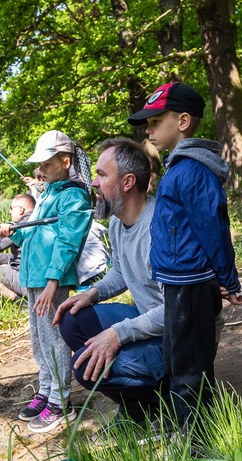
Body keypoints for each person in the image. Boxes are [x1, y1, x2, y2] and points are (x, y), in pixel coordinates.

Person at [127, 82, 242, 433]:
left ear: (183, 121)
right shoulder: (179, 167)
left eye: (155, 121)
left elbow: (213, 229)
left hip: (191, 285)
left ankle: (199, 448)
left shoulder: (192, 170)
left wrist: (227, 278)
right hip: (179, 283)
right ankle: (188, 434)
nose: (148, 130)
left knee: (190, 369)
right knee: (177, 362)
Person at [54, 138, 165, 428]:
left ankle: (165, 400)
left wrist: (118, 335)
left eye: (102, 175)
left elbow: (177, 309)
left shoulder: (159, 230)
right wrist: (92, 293)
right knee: (72, 318)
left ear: (128, 182)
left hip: (176, 336)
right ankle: (136, 407)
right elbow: (121, 271)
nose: (93, 182)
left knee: (85, 366)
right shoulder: (118, 221)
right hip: (147, 318)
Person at [0, 130, 93, 433]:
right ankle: (46, 390)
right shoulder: (49, 192)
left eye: (46, 164)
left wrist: (53, 281)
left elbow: (67, 241)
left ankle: (61, 402)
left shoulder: (73, 195)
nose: (40, 171)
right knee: (39, 342)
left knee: (55, 341)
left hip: (52, 280)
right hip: (34, 277)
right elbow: (36, 230)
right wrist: (15, 231)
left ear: (65, 161)